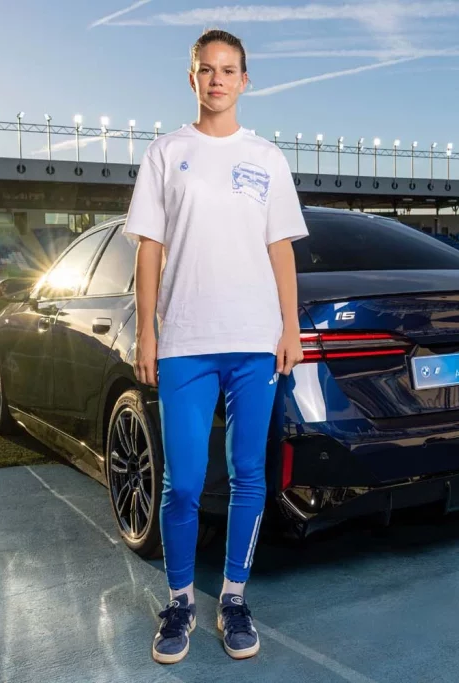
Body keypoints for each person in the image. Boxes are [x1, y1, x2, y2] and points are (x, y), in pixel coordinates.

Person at [121, 29, 308, 664]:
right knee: (183, 482)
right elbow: (149, 249)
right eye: (207, 69)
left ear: (245, 81)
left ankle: (233, 598)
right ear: (192, 78)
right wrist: (148, 331)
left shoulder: (267, 157)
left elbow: (280, 249)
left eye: (229, 70)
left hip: (255, 341)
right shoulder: (166, 152)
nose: (218, 79)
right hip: (185, 343)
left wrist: (290, 327)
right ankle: (179, 603)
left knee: (249, 475)